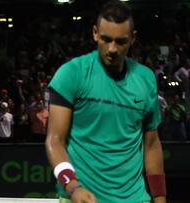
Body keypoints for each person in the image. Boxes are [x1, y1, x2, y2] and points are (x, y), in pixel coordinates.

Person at [45, 1, 166, 203]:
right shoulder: (71, 74)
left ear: (132, 39)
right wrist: (73, 187)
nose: (112, 49)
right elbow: (54, 140)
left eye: (120, 41)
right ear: (95, 33)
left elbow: (152, 144)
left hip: (135, 198)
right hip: (80, 198)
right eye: (106, 39)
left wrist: (160, 198)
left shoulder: (146, 79)